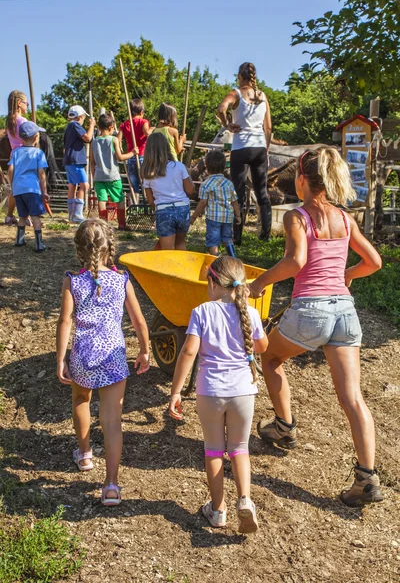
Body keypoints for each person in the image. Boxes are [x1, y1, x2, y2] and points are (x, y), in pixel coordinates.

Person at [249, 146, 383, 507]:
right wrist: (346, 274)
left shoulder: (298, 216)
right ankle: (367, 478)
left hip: (312, 311)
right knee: (352, 397)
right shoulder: (344, 217)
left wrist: (259, 283)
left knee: (272, 359)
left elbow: (296, 261)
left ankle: (283, 427)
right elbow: (373, 261)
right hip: (345, 312)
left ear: (302, 179)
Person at [169, 256, 268, 533]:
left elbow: (188, 352)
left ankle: (218, 510)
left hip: (210, 392)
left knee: (213, 450)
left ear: (213, 282)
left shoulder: (202, 312)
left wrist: (176, 391)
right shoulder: (250, 313)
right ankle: (245, 500)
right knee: (239, 449)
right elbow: (262, 347)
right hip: (243, 392)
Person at [56, 219, 150, 506]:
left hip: (82, 354)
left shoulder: (72, 280)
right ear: (110, 247)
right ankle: (111, 485)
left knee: (80, 401)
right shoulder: (121, 279)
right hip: (112, 356)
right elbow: (138, 320)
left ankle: (84, 455)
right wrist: (145, 350)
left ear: (79, 251)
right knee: (111, 421)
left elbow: (65, 321)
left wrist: (60, 358)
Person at [217, 62, 272, 244]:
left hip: (240, 147)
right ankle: (265, 235)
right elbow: (269, 127)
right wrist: (266, 148)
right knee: (261, 191)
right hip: (259, 147)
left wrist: (227, 125)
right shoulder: (262, 96)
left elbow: (220, 109)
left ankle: (237, 236)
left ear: (240, 76)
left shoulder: (236, 93)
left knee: (238, 193)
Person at [142, 133, 194, 250]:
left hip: (163, 211)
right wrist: (188, 175)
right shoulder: (179, 166)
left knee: (167, 251)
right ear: (167, 147)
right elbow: (190, 190)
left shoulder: (148, 173)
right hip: (182, 209)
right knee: (180, 244)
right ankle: (183, 267)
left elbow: (150, 201)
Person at [190, 151, 241, 256]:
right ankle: (233, 257)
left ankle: (215, 259)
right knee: (227, 238)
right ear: (224, 166)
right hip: (227, 218)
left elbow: (203, 202)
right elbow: (234, 201)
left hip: (213, 218)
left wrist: (194, 217)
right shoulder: (229, 183)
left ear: (207, 166)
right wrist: (238, 215)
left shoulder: (206, 184)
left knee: (213, 241)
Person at [8, 121, 48, 252]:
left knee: (22, 216)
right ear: (36, 137)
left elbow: (10, 169)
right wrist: (44, 191)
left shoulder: (16, 153)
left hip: (18, 189)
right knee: (35, 216)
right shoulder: (38, 153)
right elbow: (41, 174)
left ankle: (19, 240)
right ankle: (39, 244)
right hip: (32, 189)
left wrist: (12, 184)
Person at [91, 113, 134, 230]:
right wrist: (132, 153)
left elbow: (92, 162)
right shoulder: (113, 140)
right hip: (113, 176)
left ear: (98, 127)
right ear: (111, 127)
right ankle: (121, 224)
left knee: (102, 200)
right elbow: (120, 157)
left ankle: (103, 226)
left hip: (99, 176)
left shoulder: (94, 142)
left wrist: (93, 176)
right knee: (119, 199)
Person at [63, 105, 95, 223]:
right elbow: (87, 138)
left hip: (68, 160)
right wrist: (91, 125)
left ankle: (71, 214)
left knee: (72, 185)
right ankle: (77, 214)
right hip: (75, 160)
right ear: (80, 116)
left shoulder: (68, 127)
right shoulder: (75, 125)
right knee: (84, 185)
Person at [118, 98, 151, 204]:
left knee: (133, 185)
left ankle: (133, 207)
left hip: (130, 157)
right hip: (142, 156)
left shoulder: (125, 124)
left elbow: (117, 140)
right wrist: (153, 129)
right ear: (141, 112)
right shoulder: (143, 122)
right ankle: (148, 204)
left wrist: (120, 149)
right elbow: (146, 133)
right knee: (146, 182)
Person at [5, 90, 30, 225]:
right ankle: (25, 216)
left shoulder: (10, 121)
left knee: (15, 188)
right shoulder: (22, 121)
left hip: (13, 156)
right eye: (26, 103)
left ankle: (9, 216)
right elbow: (28, 138)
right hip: (24, 157)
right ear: (20, 104)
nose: (28, 106)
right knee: (26, 187)